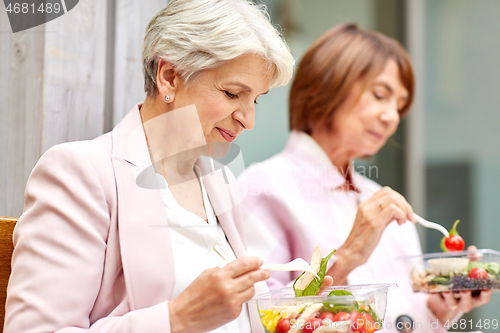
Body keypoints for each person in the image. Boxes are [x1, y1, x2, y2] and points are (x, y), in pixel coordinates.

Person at [3, 1, 295, 332]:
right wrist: (178, 318)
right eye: (231, 94)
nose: (248, 119)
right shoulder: (79, 173)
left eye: (254, 99)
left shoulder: (220, 179)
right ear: (169, 77)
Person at [238, 23, 491, 332]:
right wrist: (348, 256)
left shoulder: (380, 200)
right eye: (380, 95)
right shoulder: (264, 186)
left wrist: (441, 307)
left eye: (399, 106)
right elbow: (257, 319)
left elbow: (403, 322)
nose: (392, 117)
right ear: (327, 86)